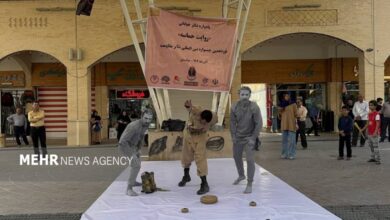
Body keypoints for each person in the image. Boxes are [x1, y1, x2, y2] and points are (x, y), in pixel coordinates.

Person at [178, 100, 217, 195]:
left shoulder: (213, 117)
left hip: (200, 138)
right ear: (201, 116)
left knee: (201, 159)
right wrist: (189, 106)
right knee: (186, 157)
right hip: (189, 136)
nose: (203, 123)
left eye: (205, 123)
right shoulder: (198, 111)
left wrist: (204, 127)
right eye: (202, 121)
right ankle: (186, 176)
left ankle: (204, 183)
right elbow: (192, 109)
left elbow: (214, 121)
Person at [230, 86, 262, 194]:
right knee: (236, 156)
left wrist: (253, 138)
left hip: (249, 137)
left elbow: (259, 123)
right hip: (238, 137)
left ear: (249, 95)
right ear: (239, 95)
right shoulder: (234, 106)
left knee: (249, 160)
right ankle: (241, 175)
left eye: (246, 95)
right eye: (242, 94)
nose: (244, 97)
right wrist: (233, 136)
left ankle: (249, 183)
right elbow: (232, 123)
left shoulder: (254, 107)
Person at [118, 109, 154, 196]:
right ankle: (129, 189)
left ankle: (133, 181)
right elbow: (122, 142)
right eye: (146, 118)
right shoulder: (133, 126)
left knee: (137, 164)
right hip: (124, 146)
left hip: (133, 146)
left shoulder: (145, 124)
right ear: (141, 116)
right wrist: (132, 154)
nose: (148, 121)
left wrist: (138, 149)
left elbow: (141, 137)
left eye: (150, 119)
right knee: (136, 165)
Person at [279, 94, 298, 160]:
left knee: (292, 141)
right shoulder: (282, 104)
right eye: (285, 96)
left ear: (290, 97)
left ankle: (291, 154)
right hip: (284, 125)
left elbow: (296, 114)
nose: (286, 97)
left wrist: (296, 124)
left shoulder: (293, 104)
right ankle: (284, 154)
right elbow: (279, 115)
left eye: (288, 96)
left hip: (291, 124)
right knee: (284, 141)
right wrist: (280, 109)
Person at [362, 100, 381, 165]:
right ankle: (373, 158)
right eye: (369, 105)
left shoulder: (377, 114)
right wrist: (363, 129)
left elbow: (378, 124)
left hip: (374, 134)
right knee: (371, 146)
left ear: (375, 106)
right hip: (369, 133)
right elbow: (368, 123)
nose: (370, 106)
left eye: (372, 105)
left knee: (376, 146)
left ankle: (378, 159)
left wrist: (375, 132)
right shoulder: (369, 114)